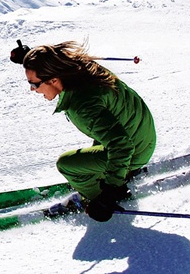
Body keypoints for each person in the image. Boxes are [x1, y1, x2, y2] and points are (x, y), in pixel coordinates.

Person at [10, 40, 156, 222]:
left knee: (67, 165)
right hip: (139, 130)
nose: (32, 89)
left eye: (35, 84)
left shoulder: (82, 106)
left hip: (134, 149)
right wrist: (31, 58)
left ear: (53, 79)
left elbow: (122, 146)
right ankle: (117, 174)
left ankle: (105, 192)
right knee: (101, 137)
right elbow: (56, 60)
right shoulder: (78, 69)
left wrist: (108, 195)